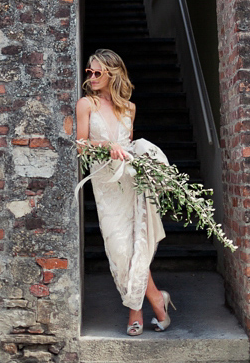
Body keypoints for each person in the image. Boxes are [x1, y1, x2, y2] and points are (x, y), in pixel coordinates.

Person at [75, 48, 176, 336]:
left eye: (98, 73)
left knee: (138, 245)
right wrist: (107, 147)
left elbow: (129, 146)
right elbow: (80, 145)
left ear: (112, 74)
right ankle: (158, 297)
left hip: (132, 183)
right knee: (120, 250)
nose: (92, 77)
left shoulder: (129, 108)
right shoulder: (86, 104)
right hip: (106, 185)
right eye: (89, 72)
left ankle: (136, 310)